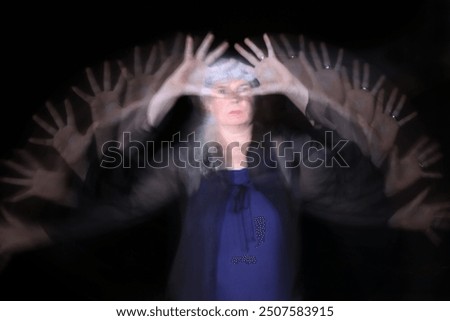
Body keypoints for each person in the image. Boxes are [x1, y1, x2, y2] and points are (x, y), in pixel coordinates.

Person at [0, 32, 445, 300]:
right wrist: (37, 233)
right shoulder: (185, 161)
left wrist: (298, 89)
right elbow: (121, 203)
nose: (232, 97)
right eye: (219, 90)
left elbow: (345, 187)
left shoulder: (291, 156)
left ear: (256, 96)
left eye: (243, 87)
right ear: (204, 102)